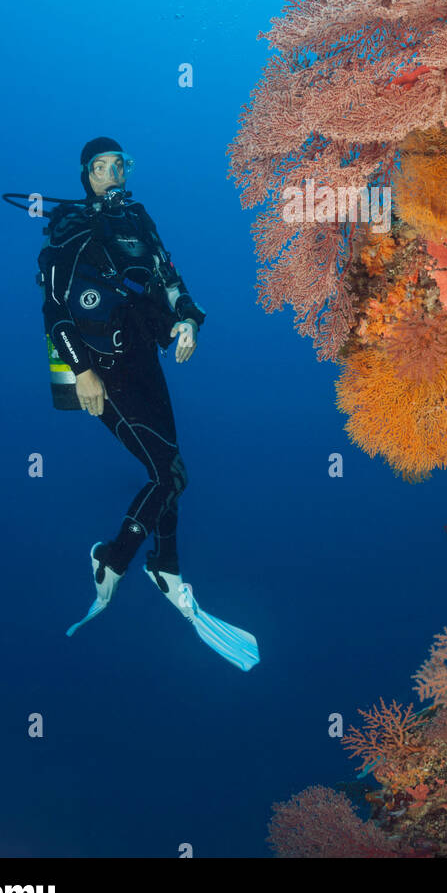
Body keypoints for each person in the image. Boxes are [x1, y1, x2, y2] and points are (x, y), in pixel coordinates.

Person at [39, 137, 258, 670]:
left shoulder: (138, 220)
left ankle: (166, 568)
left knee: (174, 471)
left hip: (143, 360)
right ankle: (112, 561)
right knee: (165, 473)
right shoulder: (72, 228)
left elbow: (168, 278)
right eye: (101, 167)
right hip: (101, 371)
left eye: (120, 164)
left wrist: (186, 319)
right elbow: (53, 309)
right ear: (86, 175)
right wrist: (82, 372)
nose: (112, 173)